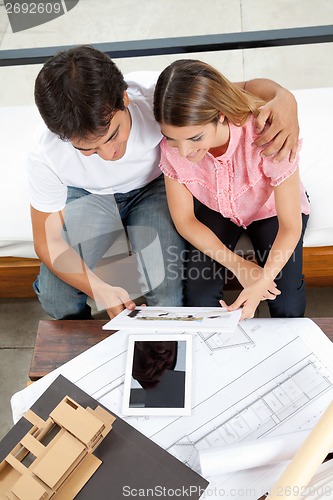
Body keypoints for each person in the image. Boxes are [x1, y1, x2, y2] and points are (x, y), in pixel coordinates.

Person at [29, 45, 301, 320]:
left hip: (152, 189)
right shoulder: (46, 152)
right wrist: (98, 288)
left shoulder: (157, 94)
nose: (108, 155)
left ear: (124, 98)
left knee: (167, 291)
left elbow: (234, 90)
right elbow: (46, 241)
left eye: (112, 136)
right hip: (88, 196)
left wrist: (285, 98)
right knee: (56, 298)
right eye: (87, 149)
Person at [153, 59, 310, 319]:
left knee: (287, 305)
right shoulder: (172, 150)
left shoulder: (267, 134)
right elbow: (185, 220)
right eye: (172, 138)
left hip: (269, 209)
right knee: (199, 300)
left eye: (195, 138)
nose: (183, 152)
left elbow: (290, 226)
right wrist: (239, 265)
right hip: (216, 208)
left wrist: (262, 281)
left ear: (220, 115)